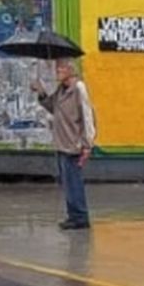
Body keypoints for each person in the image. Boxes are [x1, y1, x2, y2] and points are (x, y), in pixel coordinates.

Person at [32, 59, 96, 230]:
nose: (57, 71)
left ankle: (80, 217)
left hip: (73, 144)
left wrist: (87, 144)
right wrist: (41, 92)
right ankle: (73, 216)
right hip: (61, 143)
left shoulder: (79, 89)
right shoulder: (61, 90)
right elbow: (52, 107)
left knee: (74, 182)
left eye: (61, 68)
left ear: (70, 70)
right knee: (67, 183)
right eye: (57, 68)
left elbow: (88, 116)